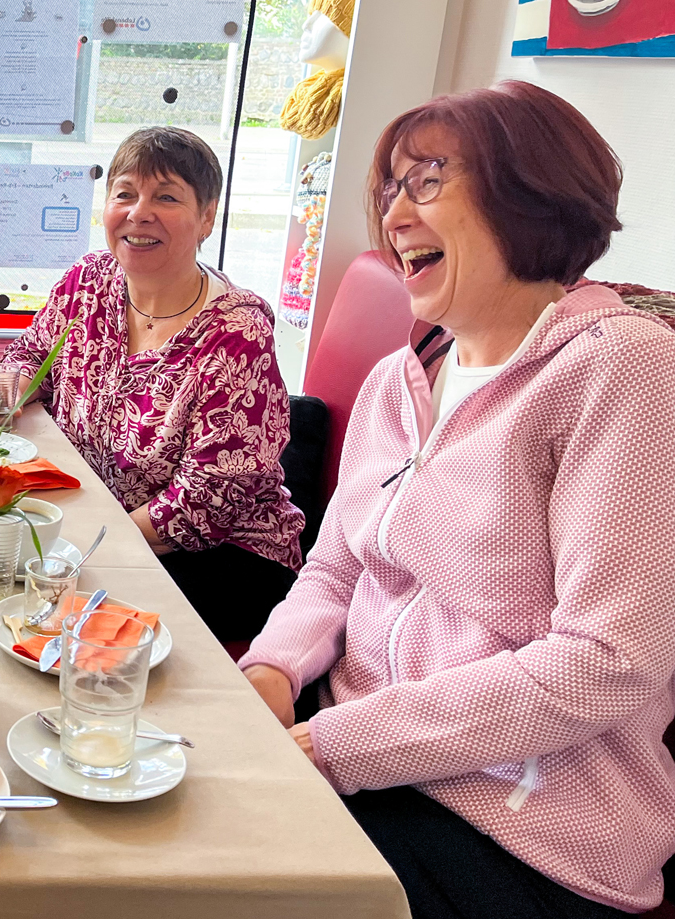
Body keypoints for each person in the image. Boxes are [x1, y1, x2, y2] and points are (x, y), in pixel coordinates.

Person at [239, 81, 675, 916]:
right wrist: (270, 668)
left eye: (429, 179)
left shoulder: (621, 369)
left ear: (535, 192)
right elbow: (334, 571)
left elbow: (607, 663)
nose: (396, 213)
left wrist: (338, 745)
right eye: (392, 187)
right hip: (358, 751)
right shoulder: (397, 380)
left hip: (521, 823)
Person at [4, 127, 304, 642]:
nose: (139, 212)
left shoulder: (236, 330)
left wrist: (78, 546)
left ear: (207, 217)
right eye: (125, 194)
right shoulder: (90, 280)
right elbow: (32, 355)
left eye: (166, 197)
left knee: (47, 620)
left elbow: (204, 503)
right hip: (104, 521)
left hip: (222, 556)